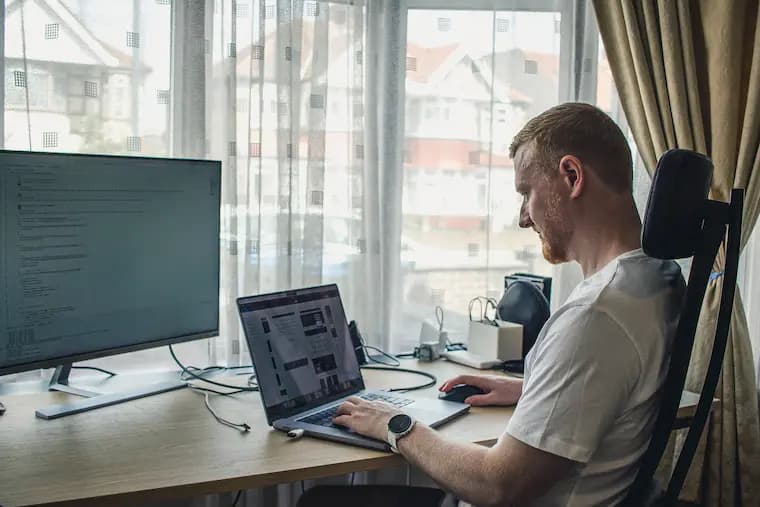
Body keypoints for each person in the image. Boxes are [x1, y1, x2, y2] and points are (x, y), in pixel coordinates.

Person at [331, 103, 685, 506]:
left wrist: (394, 424)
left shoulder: (597, 314)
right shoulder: (658, 278)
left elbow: (498, 485)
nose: (523, 217)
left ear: (571, 176)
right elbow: (621, 390)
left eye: (526, 192)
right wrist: (532, 388)